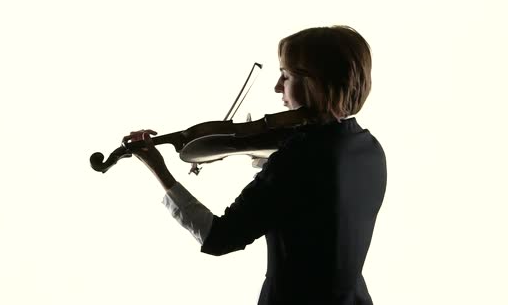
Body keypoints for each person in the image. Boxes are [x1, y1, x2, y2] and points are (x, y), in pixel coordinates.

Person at [123, 25, 387, 305]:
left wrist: (160, 170)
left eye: (285, 76)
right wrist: (266, 161)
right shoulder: (369, 149)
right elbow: (318, 211)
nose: (277, 87)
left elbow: (218, 238)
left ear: (316, 83)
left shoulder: (297, 157)